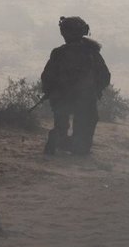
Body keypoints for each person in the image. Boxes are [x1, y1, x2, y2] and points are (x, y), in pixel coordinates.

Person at [40, 16, 112, 156]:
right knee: (85, 130)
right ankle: (75, 147)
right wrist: (96, 91)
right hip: (84, 99)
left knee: (61, 126)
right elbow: (105, 76)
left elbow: (47, 77)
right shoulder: (91, 53)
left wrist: (49, 92)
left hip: (61, 98)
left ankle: (58, 140)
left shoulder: (58, 53)